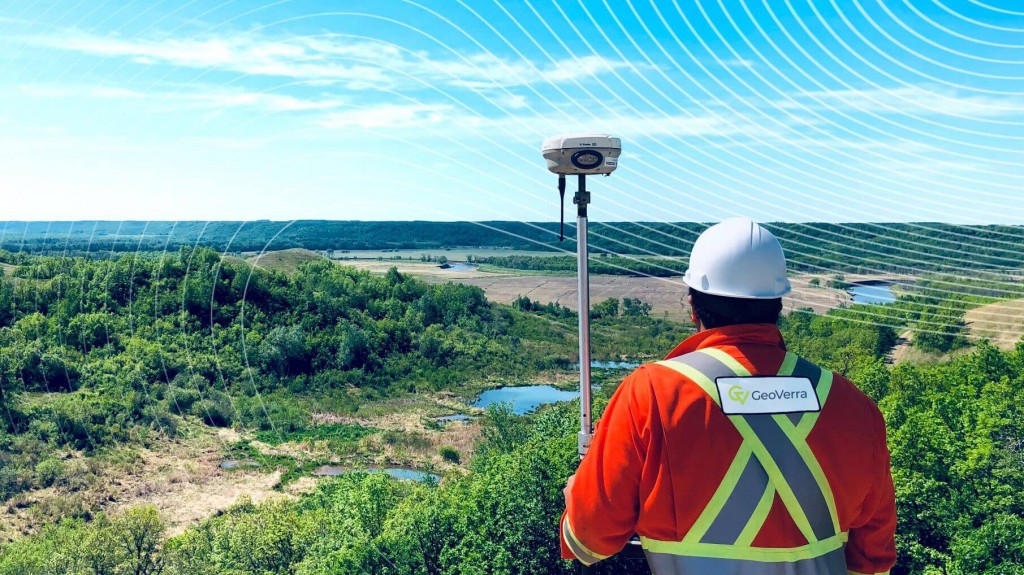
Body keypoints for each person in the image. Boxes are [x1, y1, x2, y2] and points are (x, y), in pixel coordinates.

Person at [560, 217, 896, 575]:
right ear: (778, 305)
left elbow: (588, 539)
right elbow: (872, 560)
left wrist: (576, 489)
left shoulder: (652, 396)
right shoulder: (855, 408)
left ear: (692, 305)